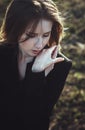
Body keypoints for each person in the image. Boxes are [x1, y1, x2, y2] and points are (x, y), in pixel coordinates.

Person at [0, 0, 72, 130]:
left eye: (45, 35)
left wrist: (37, 74)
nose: (39, 44)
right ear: (14, 28)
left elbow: (35, 120)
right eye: (31, 35)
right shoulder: (2, 54)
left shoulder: (60, 65)